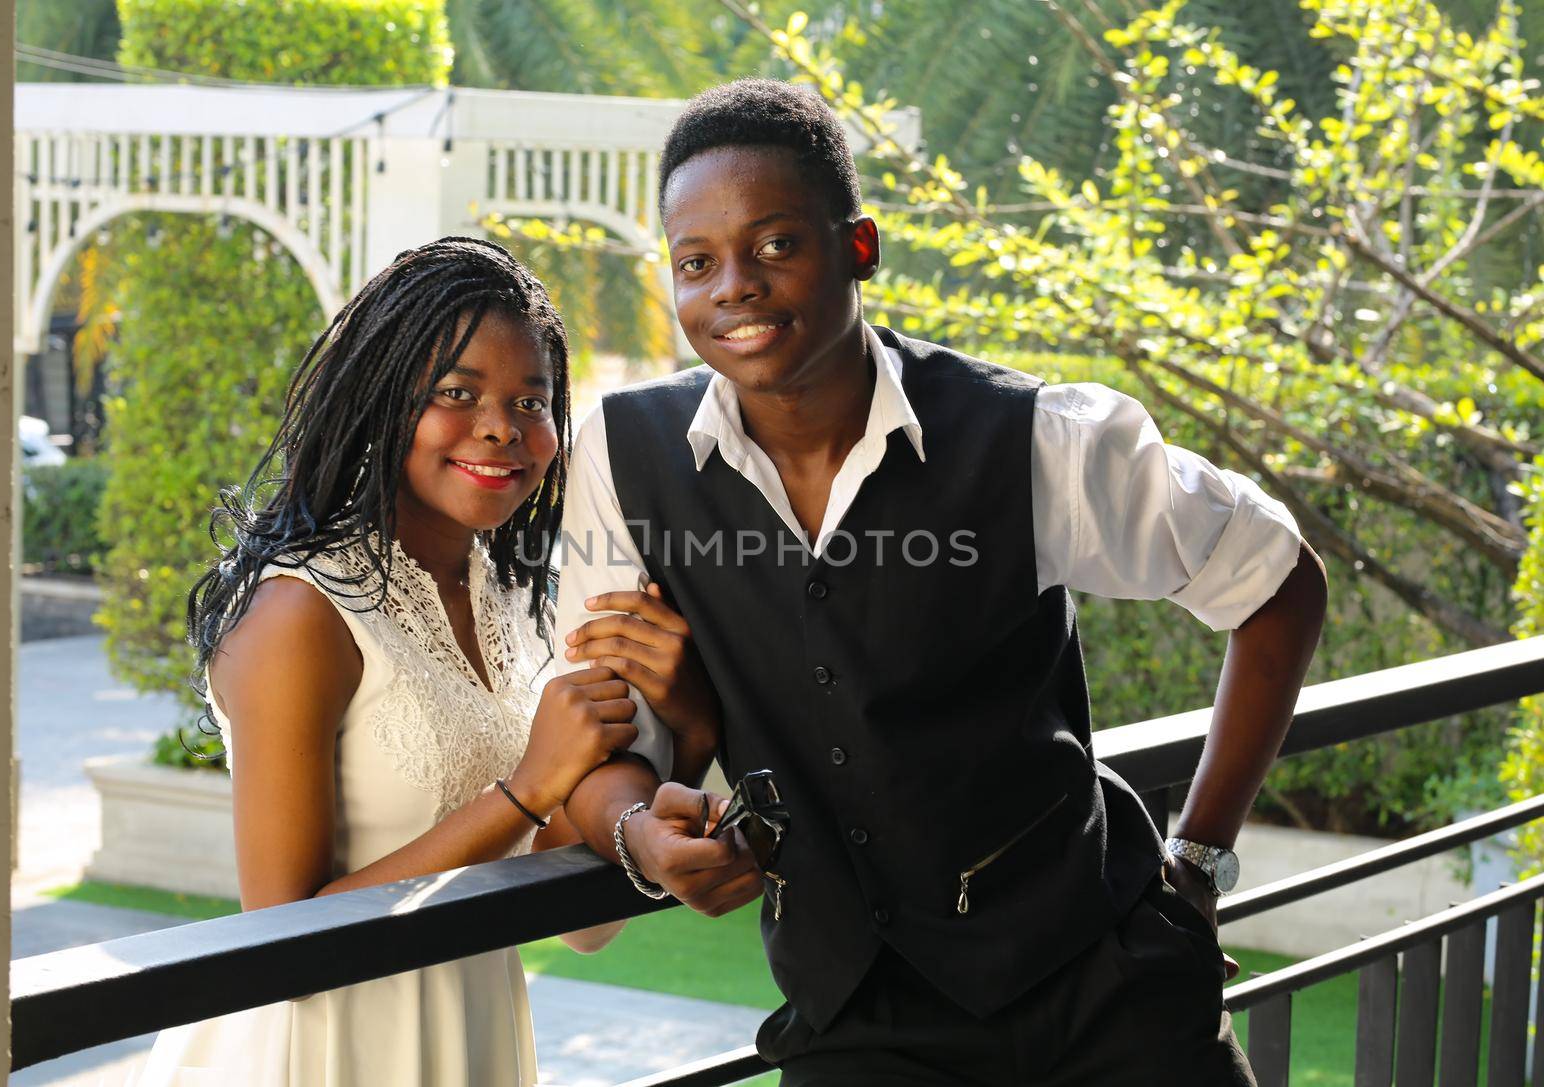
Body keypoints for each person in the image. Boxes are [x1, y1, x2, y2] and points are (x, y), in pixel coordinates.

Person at [555, 81, 1329, 1085]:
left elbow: (1277, 584)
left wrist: (1199, 860)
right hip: (857, 1019)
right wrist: (638, 832)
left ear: (859, 248)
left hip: (1106, 990)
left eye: (776, 244)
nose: (734, 284)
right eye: (697, 262)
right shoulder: (621, 460)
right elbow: (600, 729)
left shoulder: (1035, 440)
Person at [132, 237, 717, 1087]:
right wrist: (524, 787)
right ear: (382, 401)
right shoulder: (302, 612)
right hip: (321, 1052)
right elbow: (282, 940)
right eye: (457, 392)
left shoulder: (522, 603)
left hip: (470, 1036)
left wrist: (690, 732)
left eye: (532, 399)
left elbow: (581, 926)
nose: (501, 427)